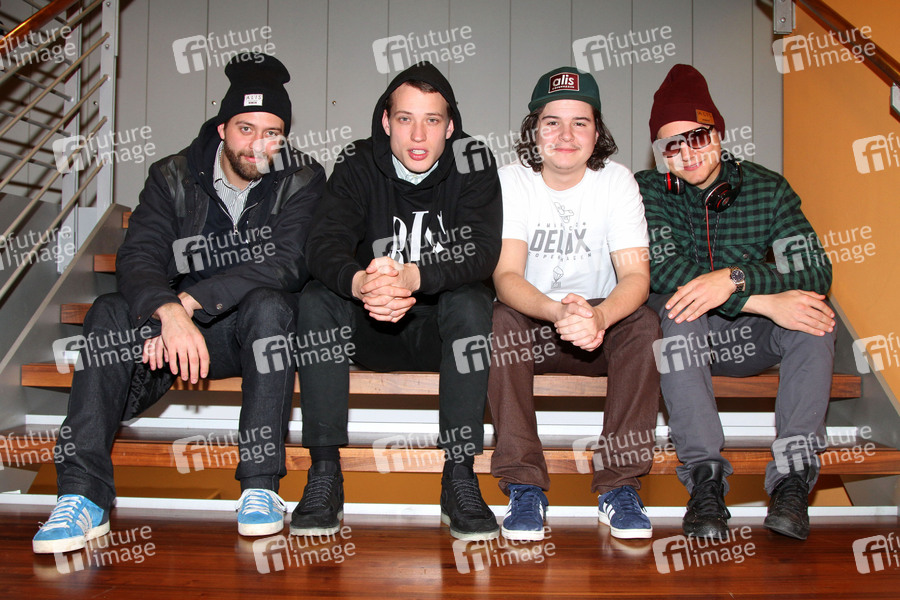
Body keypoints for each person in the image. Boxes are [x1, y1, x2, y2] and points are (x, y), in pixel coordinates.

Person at [32, 53, 325, 554]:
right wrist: (167, 313)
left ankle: (260, 487)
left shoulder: (302, 177)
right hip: (172, 336)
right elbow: (139, 257)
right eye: (246, 129)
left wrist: (192, 301)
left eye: (272, 132)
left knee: (270, 304)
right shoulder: (172, 174)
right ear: (222, 128)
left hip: (247, 333)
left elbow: (287, 263)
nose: (259, 145)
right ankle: (82, 496)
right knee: (107, 311)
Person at [294, 61, 502, 541]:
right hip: (371, 325)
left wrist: (414, 277)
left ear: (450, 127)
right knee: (316, 297)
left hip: (440, 332)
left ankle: (459, 476)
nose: (418, 135)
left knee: (472, 300)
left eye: (432, 120)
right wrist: (362, 283)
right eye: (405, 118)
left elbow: (481, 251)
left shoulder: (473, 160)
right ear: (386, 121)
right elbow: (323, 244)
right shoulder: (357, 160)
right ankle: (324, 472)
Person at [635, 64, 835, 540]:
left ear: (719, 135)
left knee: (815, 318)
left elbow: (815, 270)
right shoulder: (647, 189)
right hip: (686, 338)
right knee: (681, 309)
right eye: (671, 145)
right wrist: (762, 302)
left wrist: (735, 278)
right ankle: (705, 483)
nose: (686, 154)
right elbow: (662, 270)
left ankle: (791, 481)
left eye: (697, 137)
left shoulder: (768, 188)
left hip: (749, 342)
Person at [488, 67, 661, 541]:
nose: (566, 135)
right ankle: (523, 487)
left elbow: (636, 277)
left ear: (597, 132)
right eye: (552, 122)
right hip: (537, 321)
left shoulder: (617, 181)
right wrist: (556, 312)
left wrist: (598, 316)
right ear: (534, 129)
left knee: (644, 324)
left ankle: (619, 486)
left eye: (580, 122)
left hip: (598, 329)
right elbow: (506, 276)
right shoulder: (511, 180)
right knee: (499, 319)